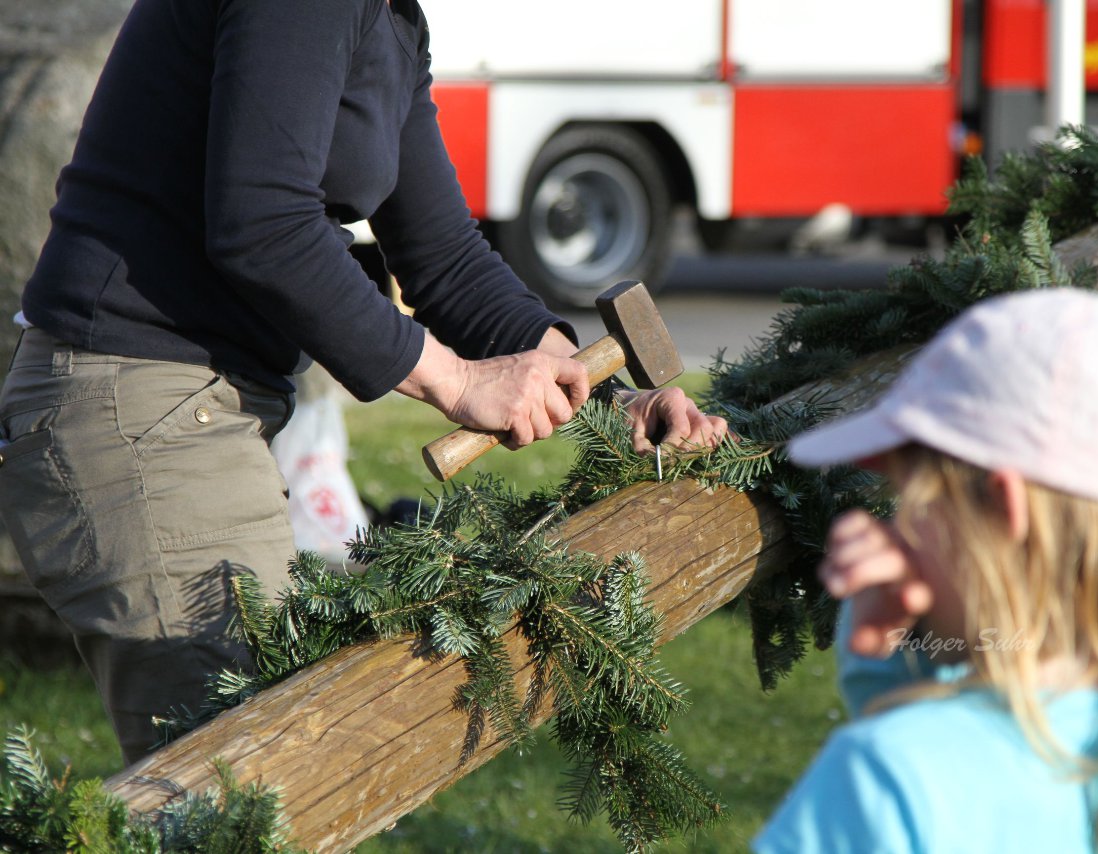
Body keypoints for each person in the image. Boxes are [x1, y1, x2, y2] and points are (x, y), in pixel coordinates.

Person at [0, 0, 725, 765]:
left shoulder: (390, 20)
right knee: (244, 792)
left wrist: (612, 401)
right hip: (141, 413)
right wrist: (454, 380)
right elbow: (263, 226)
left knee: (261, 785)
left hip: (197, 411)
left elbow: (444, 257)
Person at [754, 288, 1098, 853]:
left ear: (1002, 506)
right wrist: (883, 661)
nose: (898, 532)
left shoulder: (882, 776)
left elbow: (922, 784)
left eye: (912, 501)